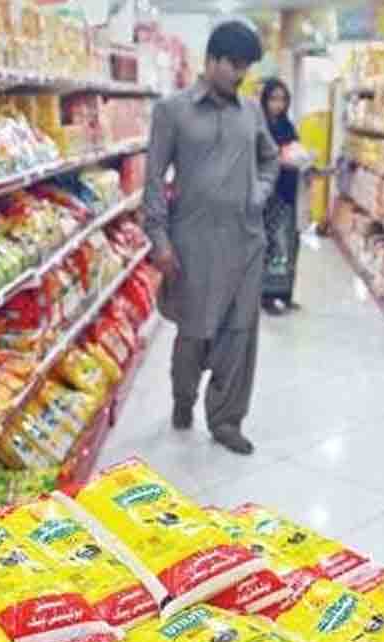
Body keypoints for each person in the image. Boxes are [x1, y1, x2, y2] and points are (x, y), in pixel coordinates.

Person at [142, 20, 279, 456]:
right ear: (211, 59)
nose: (239, 74)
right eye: (233, 64)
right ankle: (183, 398)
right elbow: (153, 180)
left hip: (246, 242)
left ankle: (226, 420)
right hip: (193, 244)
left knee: (239, 334)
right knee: (195, 332)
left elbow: (270, 159)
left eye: (245, 67)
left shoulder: (251, 112)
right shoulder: (172, 111)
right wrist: (159, 240)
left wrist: (258, 193)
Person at [258, 78, 303, 315]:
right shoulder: (259, 127)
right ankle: (267, 295)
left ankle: (285, 294)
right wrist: (277, 159)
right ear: (265, 100)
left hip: (288, 191)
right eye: (274, 99)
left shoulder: (288, 126)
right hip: (268, 194)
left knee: (289, 245)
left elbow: (295, 151)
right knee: (272, 245)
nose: (278, 104)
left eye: (283, 99)